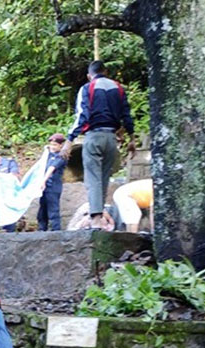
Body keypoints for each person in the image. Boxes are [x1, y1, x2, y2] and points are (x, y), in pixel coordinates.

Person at [62, 60, 136, 230]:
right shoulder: (118, 88)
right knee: (103, 178)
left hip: (94, 137)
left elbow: (82, 115)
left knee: (93, 178)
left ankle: (95, 219)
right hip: (111, 139)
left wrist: (69, 141)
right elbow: (126, 114)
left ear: (90, 75)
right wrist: (132, 138)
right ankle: (100, 216)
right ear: (106, 72)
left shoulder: (87, 88)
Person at [37, 134, 69, 232]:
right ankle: (42, 230)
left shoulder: (62, 157)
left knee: (53, 211)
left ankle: (56, 231)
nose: (53, 147)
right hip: (44, 187)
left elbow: (52, 168)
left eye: (55, 145)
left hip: (53, 187)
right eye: (51, 144)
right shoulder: (48, 155)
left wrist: (44, 180)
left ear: (61, 146)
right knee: (42, 211)